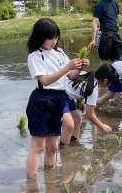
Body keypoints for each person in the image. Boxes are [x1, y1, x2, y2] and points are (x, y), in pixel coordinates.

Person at [25, 18, 85, 178]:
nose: (54, 41)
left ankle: (50, 180)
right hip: (42, 100)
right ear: (39, 37)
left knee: (52, 147)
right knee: (38, 146)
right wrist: (68, 66)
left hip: (59, 98)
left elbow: (71, 76)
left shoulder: (59, 53)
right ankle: (32, 185)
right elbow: (44, 81)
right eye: (50, 38)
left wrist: (78, 68)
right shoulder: (35, 56)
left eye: (56, 37)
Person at [87, 0, 122, 64]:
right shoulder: (100, 4)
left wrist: (118, 31)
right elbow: (95, 22)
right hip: (104, 34)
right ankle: (100, 76)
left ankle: (114, 76)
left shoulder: (115, 2)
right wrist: (93, 39)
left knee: (118, 59)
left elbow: (115, 18)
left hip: (115, 33)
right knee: (104, 60)